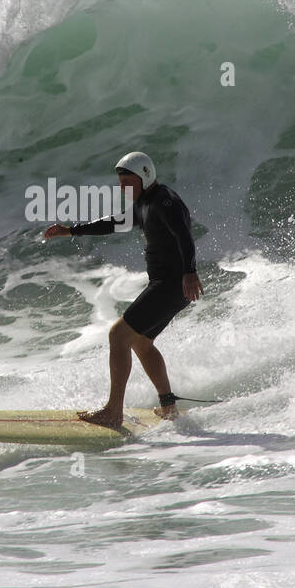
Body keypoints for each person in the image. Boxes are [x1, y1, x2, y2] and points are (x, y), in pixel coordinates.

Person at [43, 151, 203, 429]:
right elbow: (114, 223)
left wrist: (190, 271)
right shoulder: (144, 204)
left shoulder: (165, 202)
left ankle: (113, 411)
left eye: (128, 182)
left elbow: (184, 236)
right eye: (120, 182)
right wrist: (72, 231)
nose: (123, 188)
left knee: (118, 335)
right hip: (165, 284)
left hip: (172, 284)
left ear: (145, 176)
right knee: (141, 342)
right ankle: (168, 407)